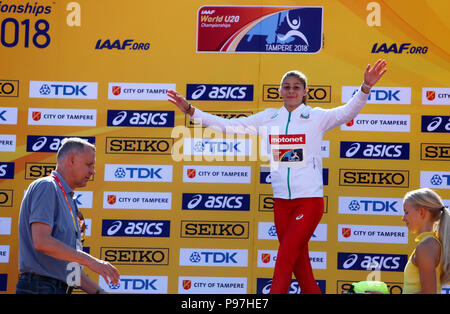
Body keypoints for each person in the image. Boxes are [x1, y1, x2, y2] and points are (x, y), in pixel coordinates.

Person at [168, 59, 387, 294]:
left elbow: (347, 111)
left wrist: (365, 87)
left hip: (309, 201)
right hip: (282, 203)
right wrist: (191, 110)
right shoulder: (268, 118)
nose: (291, 91)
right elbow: (227, 127)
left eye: (296, 87)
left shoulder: (316, 116)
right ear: (280, 91)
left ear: (305, 92)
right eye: (287, 86)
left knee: (283, 261)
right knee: (301, 267)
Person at [16, 137, 120, 294]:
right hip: (40, 288)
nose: (93, 171)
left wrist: (100, 293)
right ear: (71, 160)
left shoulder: (69, 199)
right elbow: (42, 241)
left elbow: (69, 270)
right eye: (89, 165)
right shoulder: (47, 186)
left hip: (57, 288)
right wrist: (93, 262)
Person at [401, 188, 450, 294]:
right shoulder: (430, 244)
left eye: (406, 212)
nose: (403, 218)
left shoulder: (426, 247)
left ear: (421, 212)